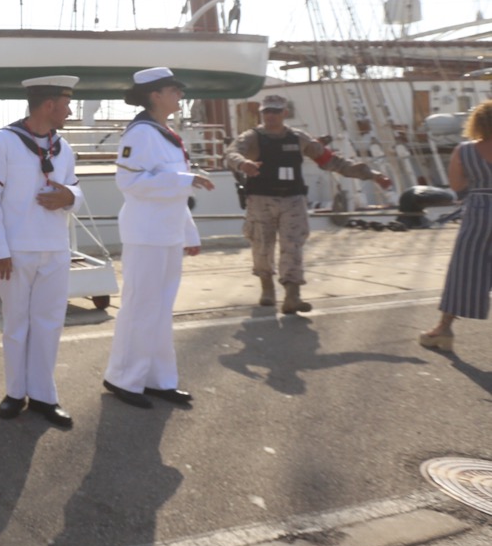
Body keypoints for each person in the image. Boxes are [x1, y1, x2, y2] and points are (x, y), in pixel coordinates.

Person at [103, 66, 215, 409]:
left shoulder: (164, 133)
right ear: (156, 95)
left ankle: (158, 379)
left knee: (162, 309)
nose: (180, 95)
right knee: (140, 307)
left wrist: (187, 232)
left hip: (166, 233)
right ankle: (123, 378)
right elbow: (130, 183)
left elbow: (174, 190)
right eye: (174, 90)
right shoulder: (140, 134)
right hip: (145, 233)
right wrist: (186, 180)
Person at [224, 93, 391, 313]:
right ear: (261, 113)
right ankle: (267, 289)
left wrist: (371, 174)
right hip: (261, 199)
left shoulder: (299, 138)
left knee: (293, 245)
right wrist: (243, 163)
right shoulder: (252, 137)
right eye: (267, 112)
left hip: (292, 199)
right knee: (262, 244)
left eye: (276, 111)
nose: (271, 116)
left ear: (285, 113)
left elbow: (331, 161)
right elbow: (231, 153)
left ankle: (292, 295)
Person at [0, 75, 82, 428]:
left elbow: (75, 190)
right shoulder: (5, 142)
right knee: (16, 324)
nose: (70, 110)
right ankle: (14, 393)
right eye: (66, 104)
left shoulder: (63, 147)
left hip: (55, 247)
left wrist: (70, 197)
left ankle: (43, 395)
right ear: (49, 105)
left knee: (49, 324)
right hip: (17, 249)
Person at [419, 100, 492, 351]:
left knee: (465, 268)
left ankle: (444, 329)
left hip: (479, 211)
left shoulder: (464, 150)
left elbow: (457, 186)